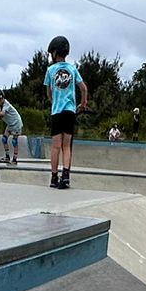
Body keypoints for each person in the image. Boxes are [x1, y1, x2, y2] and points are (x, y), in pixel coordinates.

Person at [43, 36, 90, 189]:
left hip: (56, 112)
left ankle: (54, 177)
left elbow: (48, 92)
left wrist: (54, 100)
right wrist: (83, 103)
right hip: (70, 111)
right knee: (66, 146)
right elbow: (83, 88)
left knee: (56, 146)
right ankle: (66, 177)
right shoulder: (72, 69)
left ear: (55, 52)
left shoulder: (50, 70)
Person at [0, 90, 23, 167]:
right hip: (10, 125)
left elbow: (3, 113)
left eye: (2, 99)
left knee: (14, 141)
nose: (1, 101)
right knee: (4, 139)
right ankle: (7, 157)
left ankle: (14, 159)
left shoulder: (6, 104)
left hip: (16, 123)